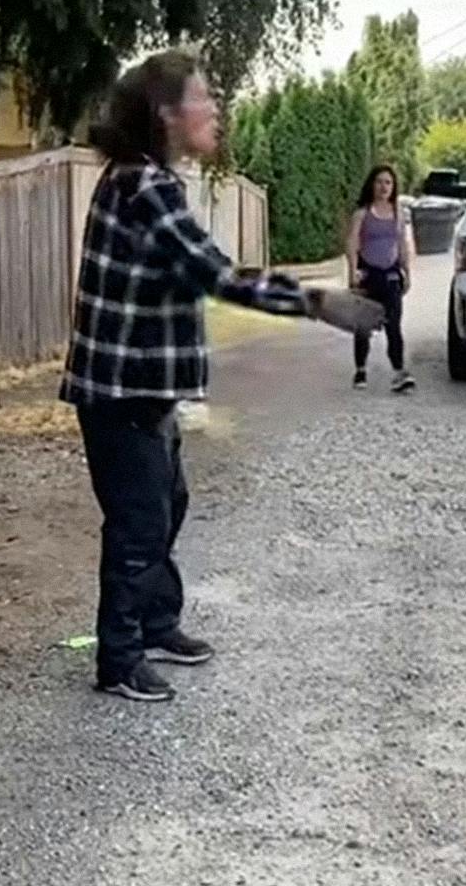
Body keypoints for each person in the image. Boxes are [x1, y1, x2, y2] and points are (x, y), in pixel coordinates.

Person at [60, 47, 383, 703]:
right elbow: (215, 274)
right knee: (138, 526)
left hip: (144, 389)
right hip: (121, 391)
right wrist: (316, 301)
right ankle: (118, 659)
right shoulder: (143, 187)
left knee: (166, 506)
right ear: (166, 113)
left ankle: (156, 624)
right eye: (203, 97)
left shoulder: (144, 178)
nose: (216, 109)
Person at [343, 164, 417, 393]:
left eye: (388, 182)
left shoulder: (398, 213)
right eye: (379, 182)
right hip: (368, 274)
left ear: (393, 187)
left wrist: (407, 272)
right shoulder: (362, 214)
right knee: (363, 326)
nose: (384, 187)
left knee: (394, 325)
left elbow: (402, 244)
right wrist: (353, 273)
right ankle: (361, 370)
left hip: (391, 273)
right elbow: (352, 243)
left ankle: (399, 373)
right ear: (372, 185)